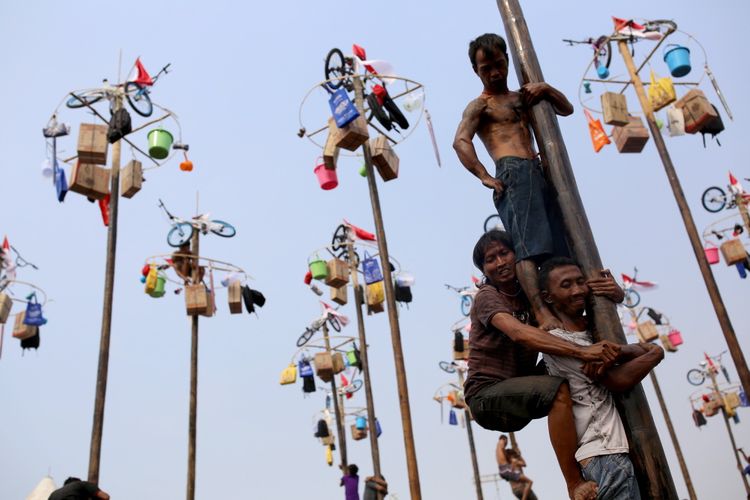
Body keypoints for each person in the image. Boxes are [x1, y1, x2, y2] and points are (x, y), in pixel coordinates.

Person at [464, 230, 624, 500]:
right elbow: (519, 333)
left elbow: (575, 307)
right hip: (486, 395)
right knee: (559, 388)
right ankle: (573, 483)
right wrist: (584, 352)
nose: (500, 262)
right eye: (490, 259)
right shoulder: (487, 297)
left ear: (517, 255)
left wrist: (615, 295)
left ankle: (594, 449)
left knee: (576, 371)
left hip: (523, 384)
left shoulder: (533, 294)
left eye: (505, 253)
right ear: (484, 270)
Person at [454, 33, 574, 330]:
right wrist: (484, 175)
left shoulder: (524, 96)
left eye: (498, 64)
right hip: (512, 171)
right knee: (527, 246)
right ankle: (542, 313)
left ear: (507, 60)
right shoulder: (480, 106)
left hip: (539, 171)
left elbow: (566, 108)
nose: (494, 73)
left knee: (559, 243)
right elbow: (460, 141)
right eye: (486, 69)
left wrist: (545, 88)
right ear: (476, 71)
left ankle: (565, 308)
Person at [539, 257, 665, 499]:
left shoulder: (589, 333)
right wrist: (656, 353)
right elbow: (617, 380)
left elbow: (622, 351)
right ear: (548, 296)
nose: (577, 290)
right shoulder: (560, 342)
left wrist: (615, 298)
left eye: (580, 282)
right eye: (566, 285)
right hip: (604, 454)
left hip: (608, 454)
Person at [496, 435, 536, 500]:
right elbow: (524, 464)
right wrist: (518, 455)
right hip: (522, 488)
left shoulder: (508, 464)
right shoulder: (514, 461)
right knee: (530, 482)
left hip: (515, 491)